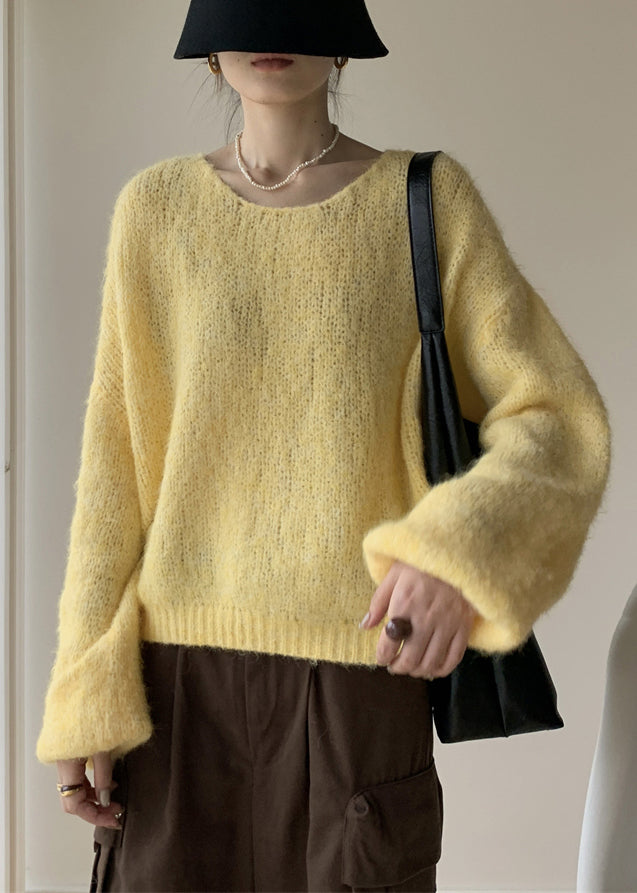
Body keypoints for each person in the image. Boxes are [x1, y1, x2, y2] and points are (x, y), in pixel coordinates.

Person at [35, 1, 612, 890]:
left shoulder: (425, 202)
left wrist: (455, 553)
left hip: (356, 688)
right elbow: (117, 469)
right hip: (173, 694)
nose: (274, 30)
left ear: (343, 38)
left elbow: (556, 417)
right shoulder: (155, 212)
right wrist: (85, 686)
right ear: (208, 42)